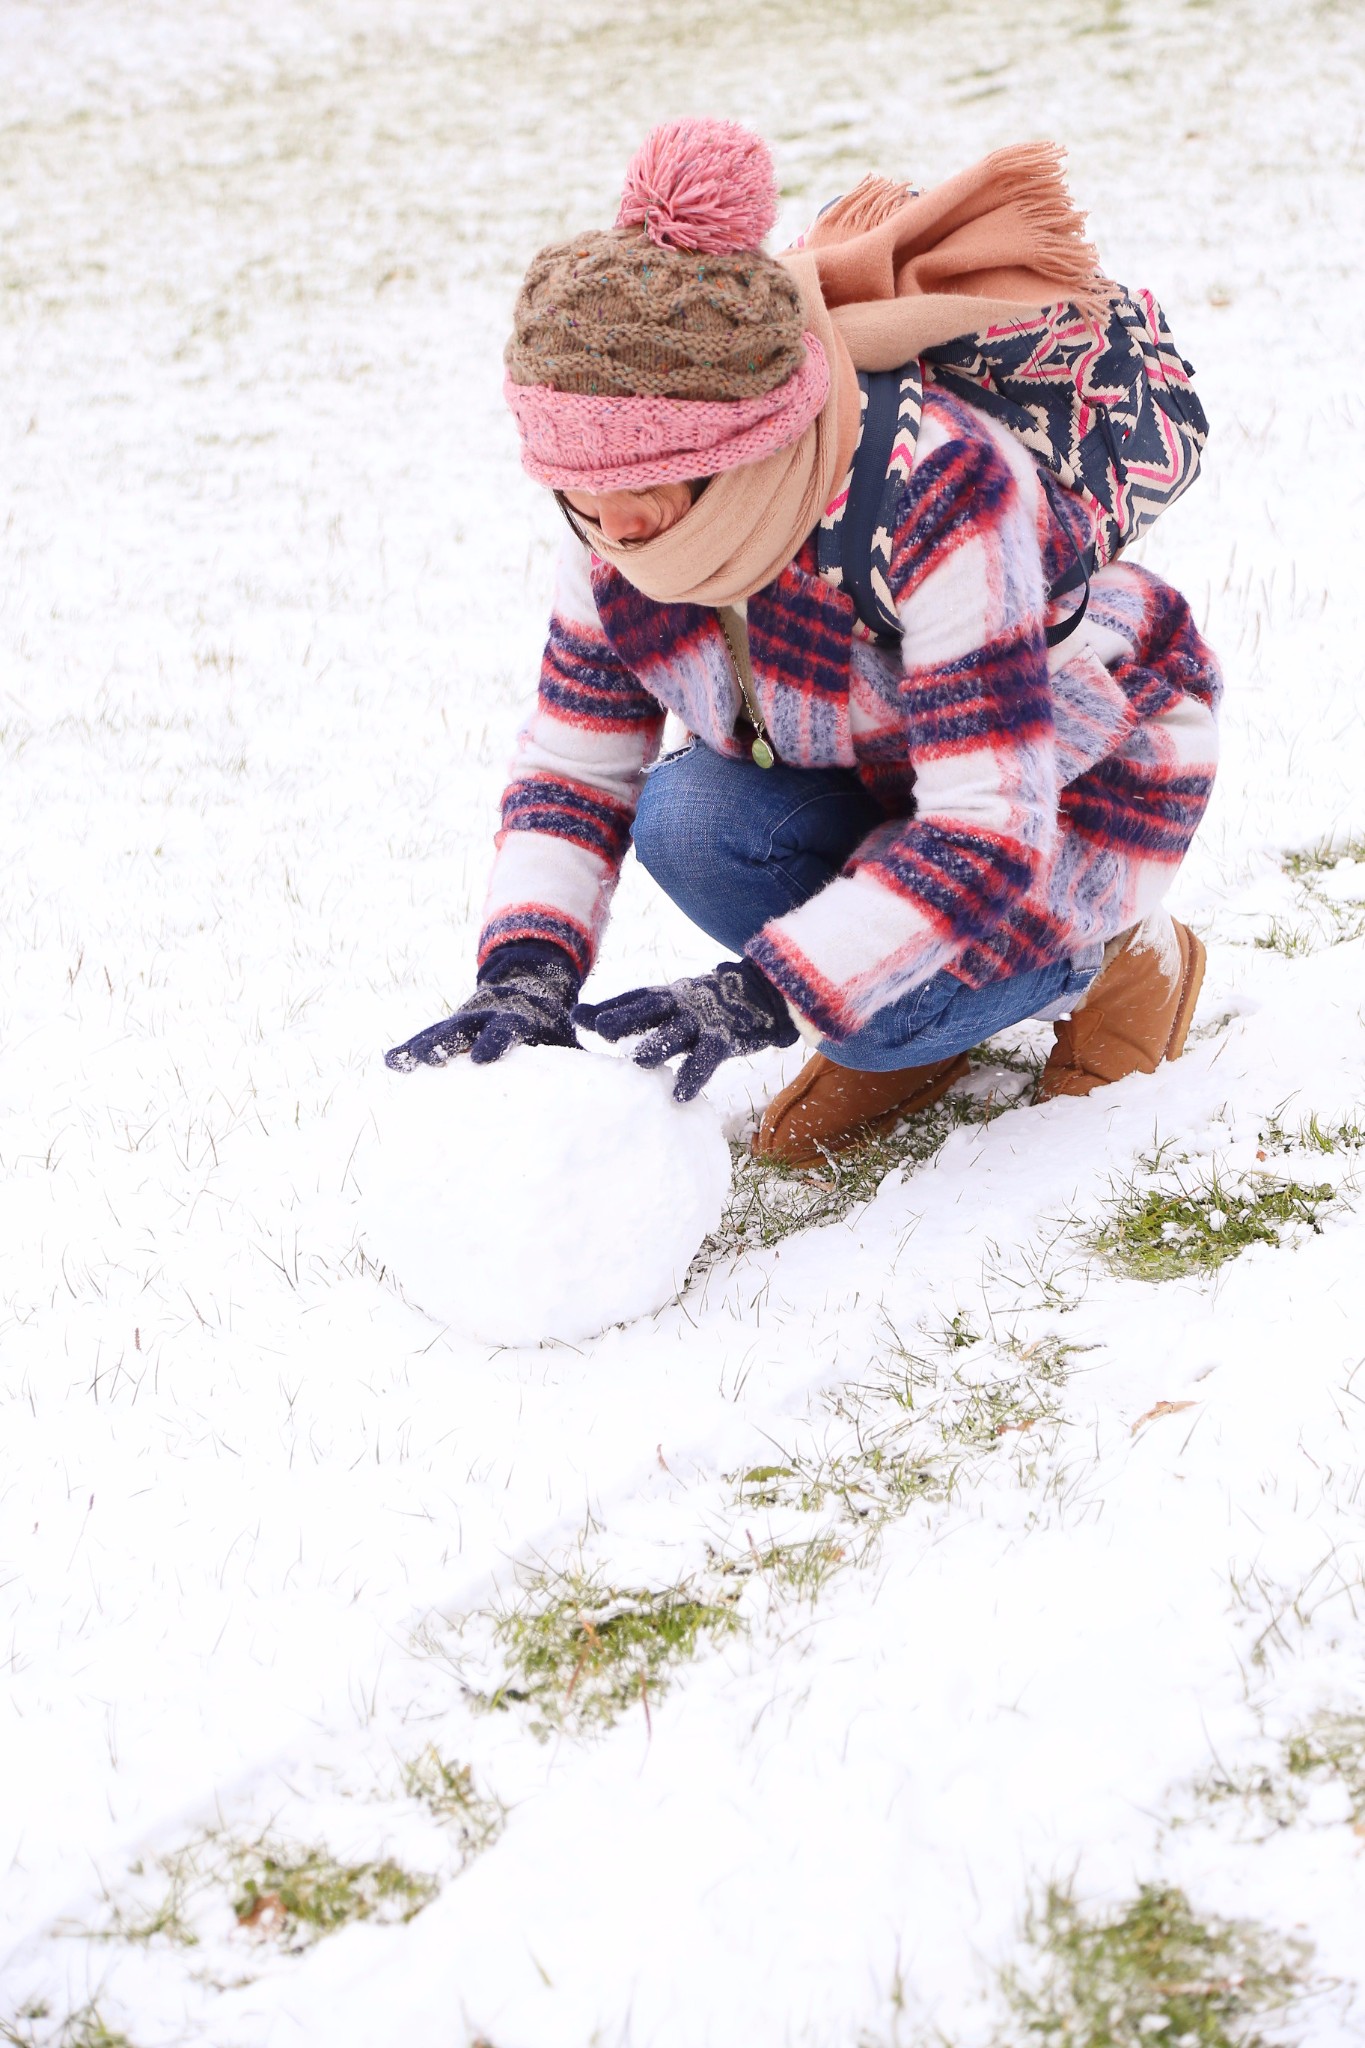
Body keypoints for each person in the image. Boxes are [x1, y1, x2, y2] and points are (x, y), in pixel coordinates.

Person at [386, 120, 1221, 1166]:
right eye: (578, 490)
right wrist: (526, 964)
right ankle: (904, 1023)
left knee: (868, 990)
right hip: (877, 766)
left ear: (736, 447)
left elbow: (988, 827)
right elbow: (575, 764)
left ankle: (1118, 957)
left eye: (640, 485)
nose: (613, 525)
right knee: (687, 818)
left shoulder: (939, 490)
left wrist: (775, 989)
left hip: (1068, 787)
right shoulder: (611, 525)